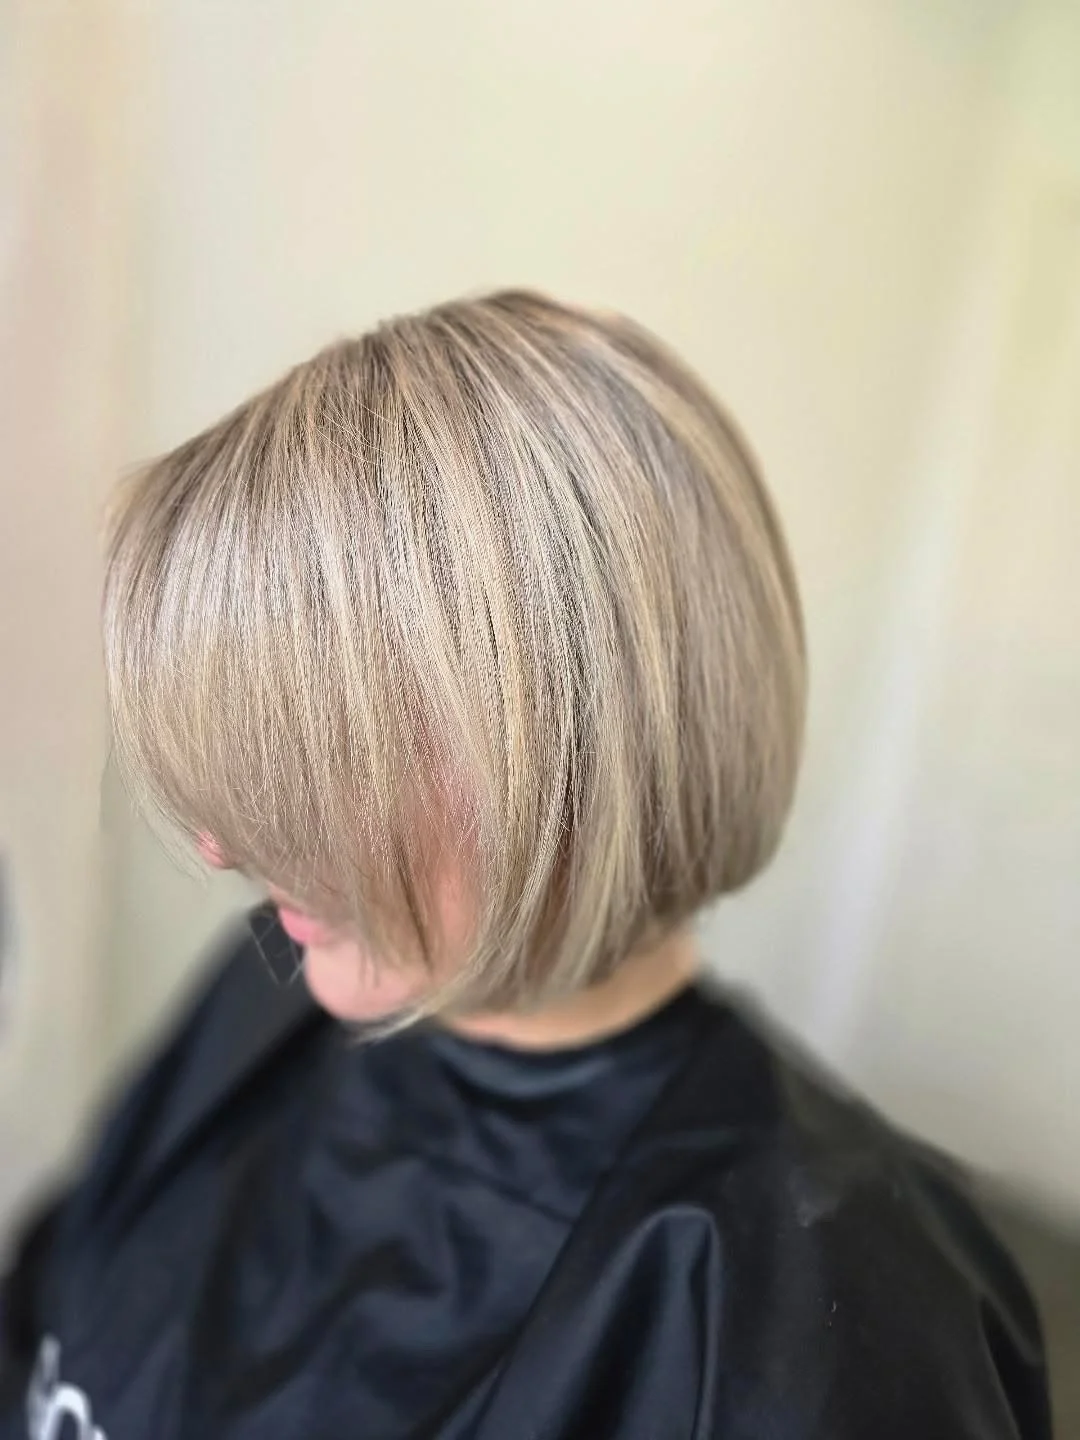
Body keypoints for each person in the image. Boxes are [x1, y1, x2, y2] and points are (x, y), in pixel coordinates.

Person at [0, 292, 1050, 1439]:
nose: (225, 848)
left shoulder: (825, 1315)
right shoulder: (266, 993)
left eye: (315, 771)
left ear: (583, 747)